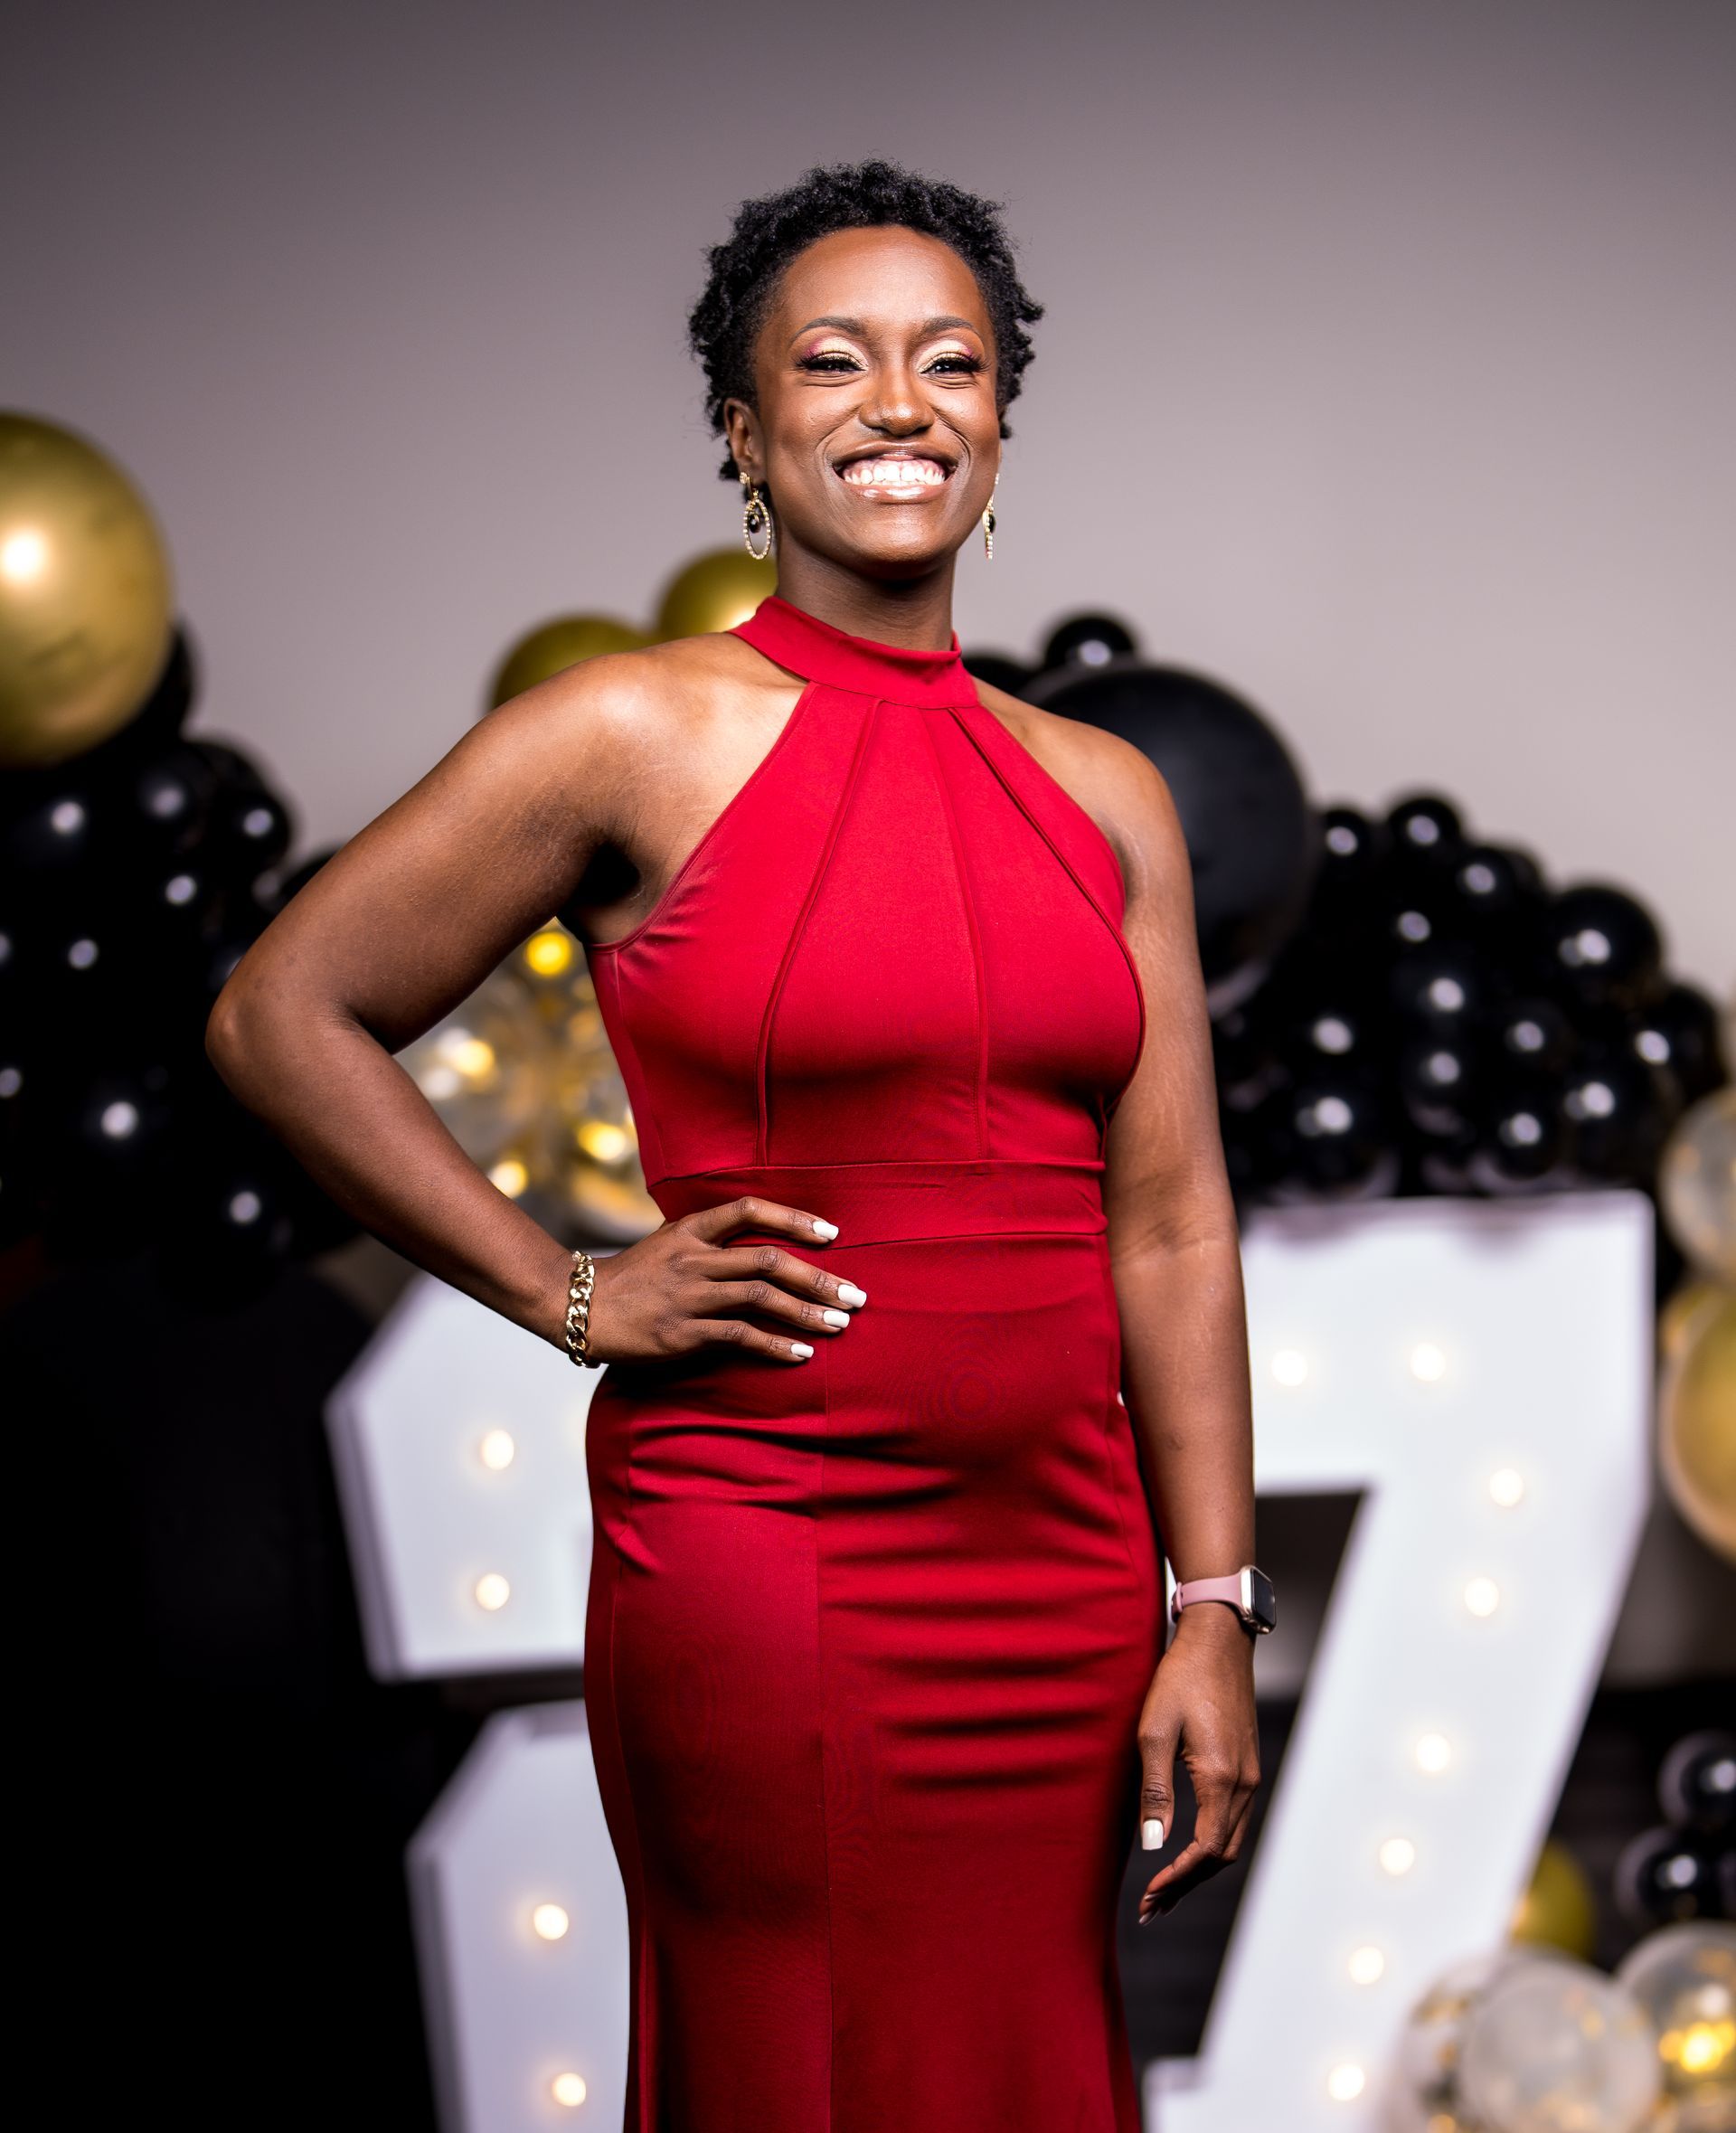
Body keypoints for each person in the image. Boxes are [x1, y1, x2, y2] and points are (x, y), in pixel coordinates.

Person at [208, 158, 1264, 2133]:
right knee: (796, 2068)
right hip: (766, 1544)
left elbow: (1178, 1226)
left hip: (1060, 1579)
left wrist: (1213, 1599)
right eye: (834, 361)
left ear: (1002, 428)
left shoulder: (1108, 794)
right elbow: (281, 1013)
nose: (899, 402)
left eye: (951, 364)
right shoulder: (629, 732)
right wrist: (568, 1285)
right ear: (744, 430)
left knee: (1030, 2062)